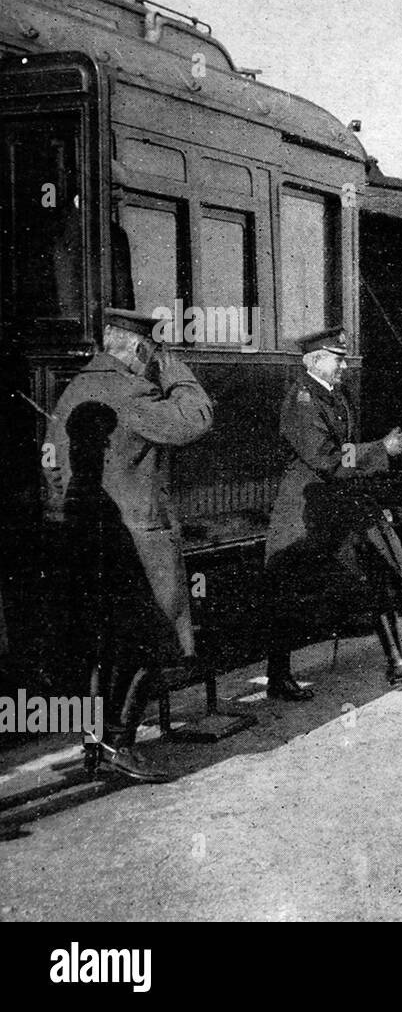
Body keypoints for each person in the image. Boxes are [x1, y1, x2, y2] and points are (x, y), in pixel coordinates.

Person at [45, 308, 214, 782]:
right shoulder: (133, 391)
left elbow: (51, 464)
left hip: (86, 537)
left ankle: (94, 744)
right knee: (153, 639)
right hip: (139, 539)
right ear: (140, 349)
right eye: (151, 351)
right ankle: (121, 744)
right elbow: (196, 418)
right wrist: (172, 366)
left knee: (102, 643)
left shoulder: (76, 388)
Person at [264, 328, 402, 701]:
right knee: (290, 590)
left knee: (376, 571)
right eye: (338, 359)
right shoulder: (303, 399)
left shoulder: (334, 396)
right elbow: (326, 457)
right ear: (316, 361)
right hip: (307, 509)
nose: (344, 365)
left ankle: (397, 661)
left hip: (339, 504)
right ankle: (278, 678)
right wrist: (381, 449)